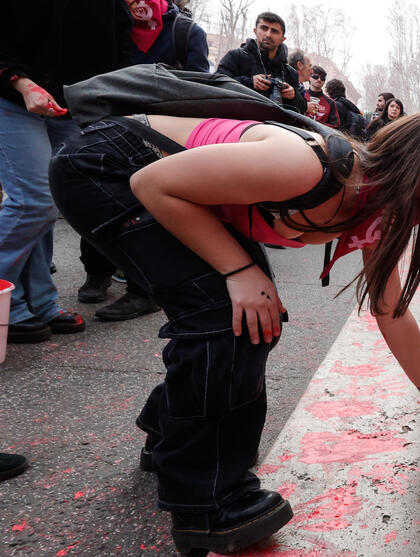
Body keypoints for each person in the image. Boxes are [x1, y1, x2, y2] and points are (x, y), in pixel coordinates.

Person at [49, 107, 420, 554]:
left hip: (157, 182)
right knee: (223, 314)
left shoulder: (376, 210)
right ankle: (205, 506)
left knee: (252, 316)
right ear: (412, 176)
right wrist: (239, 268)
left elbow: (390, 308)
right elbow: (152, 183)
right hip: (107, 167)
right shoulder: (305, 167)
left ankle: (172, 433)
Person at [0, 3, 132, 343]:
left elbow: (118, 49)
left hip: (69, 104)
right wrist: (20, 81)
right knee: (34, 201)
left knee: (55, 200)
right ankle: (5, 298)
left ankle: (38, 300)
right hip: (13, 95)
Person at [78, 0, 212, 321]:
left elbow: (198, 89)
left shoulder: (186, 32)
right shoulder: (111, 23)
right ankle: (97, 272)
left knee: (146, 208)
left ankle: (143, 291)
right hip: (108, 125)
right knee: (97, 197)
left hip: (159, 133)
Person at [216, 12, 306, 114]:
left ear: (282, 39)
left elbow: (303, 108)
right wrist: (249, 82)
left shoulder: (290, 72)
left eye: (274, 31)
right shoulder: (236, 56)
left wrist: (293, 96)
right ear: (255, 31)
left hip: (277, 127)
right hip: (238, 123)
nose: (268, 34)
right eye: (264, 28)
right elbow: (217, 85)